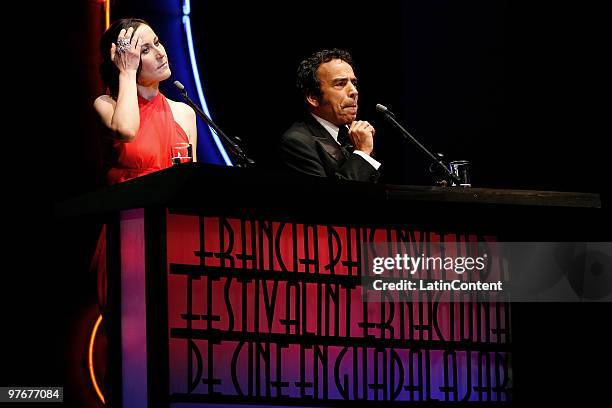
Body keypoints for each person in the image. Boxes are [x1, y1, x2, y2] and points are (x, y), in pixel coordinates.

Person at [94, 18, 197, 185]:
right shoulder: (106, 104)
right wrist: (127, 72)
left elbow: (191, 180)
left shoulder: (185, 113)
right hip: (131, 206)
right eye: (145, 50)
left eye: (157, 42)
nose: (161, 53)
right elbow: (126, 130)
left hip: (175, 208)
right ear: (123, 59)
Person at [280, 49, 380, 182]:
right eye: (340, 84)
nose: (354, 91)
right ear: (313, 97)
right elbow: (329, 200)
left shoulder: (354, 136)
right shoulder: (297, 142)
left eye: (354, 83)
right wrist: (362, 154)